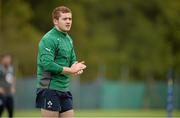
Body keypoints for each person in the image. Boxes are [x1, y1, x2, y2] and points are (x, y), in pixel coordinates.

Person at [36, 6, 86, 117]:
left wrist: (77, 67)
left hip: (64, 89)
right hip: (49, 89)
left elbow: (72, 60)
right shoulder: (49, 38)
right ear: (55, 21)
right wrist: (71, 70)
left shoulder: (68, 39)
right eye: (64, 19)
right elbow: (47, 64)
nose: (68, 22)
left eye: (70, 19)